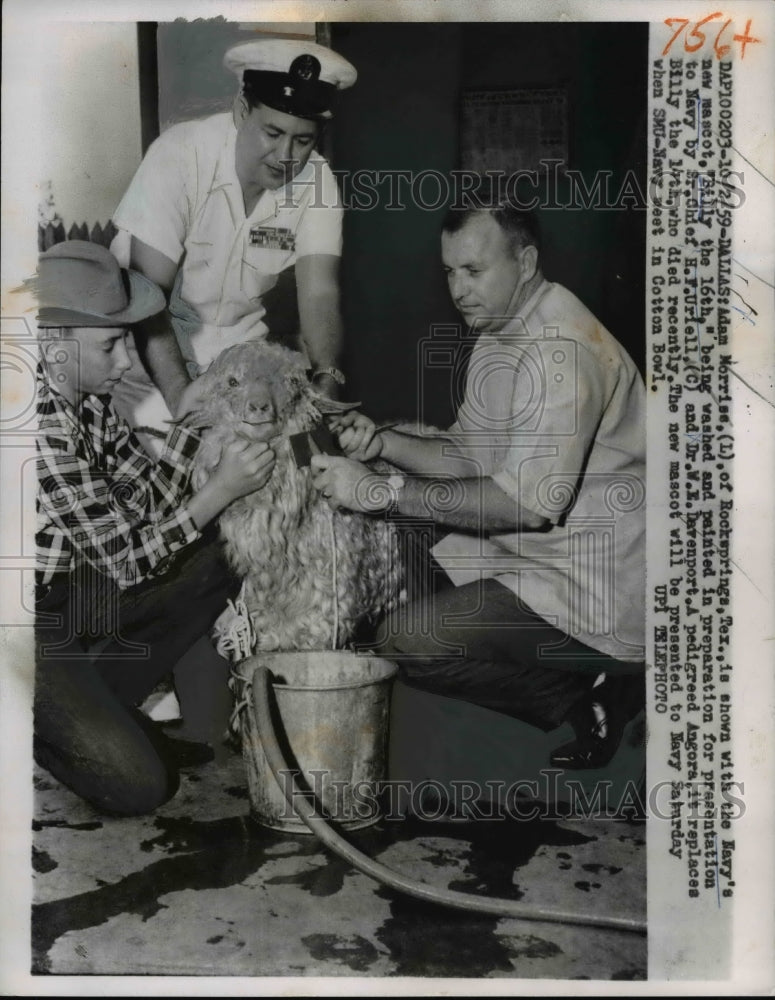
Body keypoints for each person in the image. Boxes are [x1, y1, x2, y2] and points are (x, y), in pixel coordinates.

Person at [311, 195, 646, 769]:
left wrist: (377, 491)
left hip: (595, 582)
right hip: (534, 554)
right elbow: (468, 457)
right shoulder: (498, 330)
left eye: (474, 270)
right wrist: (383, 444)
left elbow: (526, 506)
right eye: (449, 272)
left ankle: (598, 686)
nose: (458, 289)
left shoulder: (559, 351)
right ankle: (528, 659)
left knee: (405, 641)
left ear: (527, 262)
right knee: (396, 537)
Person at [34, 241, 276, 815]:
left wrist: (194, 415)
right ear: (52, 345)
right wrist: (218, 490)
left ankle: (86, 703)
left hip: (66, 598)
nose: (126, 362)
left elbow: (149, 500)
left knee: (220, 553)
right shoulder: (35, 422)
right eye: (111, 344)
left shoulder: (87, 401)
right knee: (140, 787)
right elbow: (128, 558)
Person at [110, 37, 357, 440]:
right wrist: (181, 398)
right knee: (170, 490)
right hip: (152, 366)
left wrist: (328, 372)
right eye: (273, 133)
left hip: (244, 370)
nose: (286, 156)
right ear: (242, 111)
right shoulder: (179, 155)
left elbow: (319, 294)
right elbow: (146, 297)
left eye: (303, 140)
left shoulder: (318, 180)